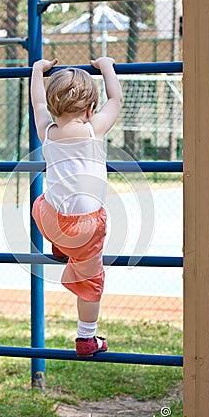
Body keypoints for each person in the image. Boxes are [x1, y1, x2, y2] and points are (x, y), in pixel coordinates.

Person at [31, 57, 123, 356]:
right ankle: (87, 337)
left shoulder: (47, 132)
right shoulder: (92, 130)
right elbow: (116, 98)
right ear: (90, 109)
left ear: (53, 107)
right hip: (86, 225)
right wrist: (107, 66)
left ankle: (60, 244)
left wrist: (36, 72)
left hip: (51, 219)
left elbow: (37, 106)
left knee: (39, 203)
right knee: (91, 280)